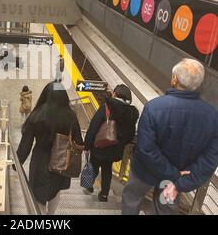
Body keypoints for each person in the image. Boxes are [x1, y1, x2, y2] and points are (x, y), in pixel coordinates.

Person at [122, 58, 218, 215]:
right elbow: (209, 160)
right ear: (198, 85)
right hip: (173, 182)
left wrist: (172, 173)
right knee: (164, 209)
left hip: (144, 173)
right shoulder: (213, 118)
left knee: (132, 199)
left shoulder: (154, 108)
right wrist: (180, 182)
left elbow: (146, 149)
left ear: (175, 79)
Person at [17, 82, 84, 215]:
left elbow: (26, 144)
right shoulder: (70, 115)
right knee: (55, 189)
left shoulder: (37, 115)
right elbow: (79, 141)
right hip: (61, 160)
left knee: (38, 193)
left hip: (40, 160)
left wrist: (17, 163)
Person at [84, 84, 139, 202]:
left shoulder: (106, 107)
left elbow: (93, 127)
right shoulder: (130, 113)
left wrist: (87, 144)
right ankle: (104, 195)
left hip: (100, 145)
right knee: (107, 169)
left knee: (94, 165)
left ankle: (89, 187)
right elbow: (130, 135)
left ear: (115, 93)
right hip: (115, 150)